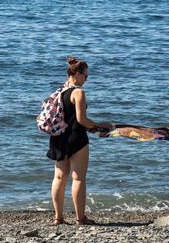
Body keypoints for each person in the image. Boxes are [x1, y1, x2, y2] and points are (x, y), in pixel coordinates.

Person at [46, 57, 113, 225]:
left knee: (59, 178)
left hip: (58, 137)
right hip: (76, 138)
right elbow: (81, 119)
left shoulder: (60, 91)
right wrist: (99, 125)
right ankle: (80, 218)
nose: (86, 80)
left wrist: (92, 127)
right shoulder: (79, 92)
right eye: (85, 76)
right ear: (76, 74)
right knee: (78, 179)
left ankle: (58, 218)